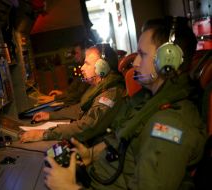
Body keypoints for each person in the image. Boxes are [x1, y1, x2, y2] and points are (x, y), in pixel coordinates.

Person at [43, 16, 207, 190]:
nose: (135, 63)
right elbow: (123, 141)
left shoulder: (170, 125)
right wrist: (91, 154)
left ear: (169, 60)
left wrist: (68, 188)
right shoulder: (147, 102)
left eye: (142, 55)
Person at [20, 44, 125, 144]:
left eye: (87, 63)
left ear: (102, 67)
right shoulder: (99, 88)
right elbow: (79, 109)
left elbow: (87, 126)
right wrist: (50, 115)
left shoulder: (110, 94)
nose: (82, 68)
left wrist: (44, 134)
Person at [37, 41, 91, 106]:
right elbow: (75, 87)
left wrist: (55, 98)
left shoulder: (88, 71)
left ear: (84, 52)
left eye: (77, 53)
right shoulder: (80, 68)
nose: (75, 56)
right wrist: (62, 93)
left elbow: (78, 95)